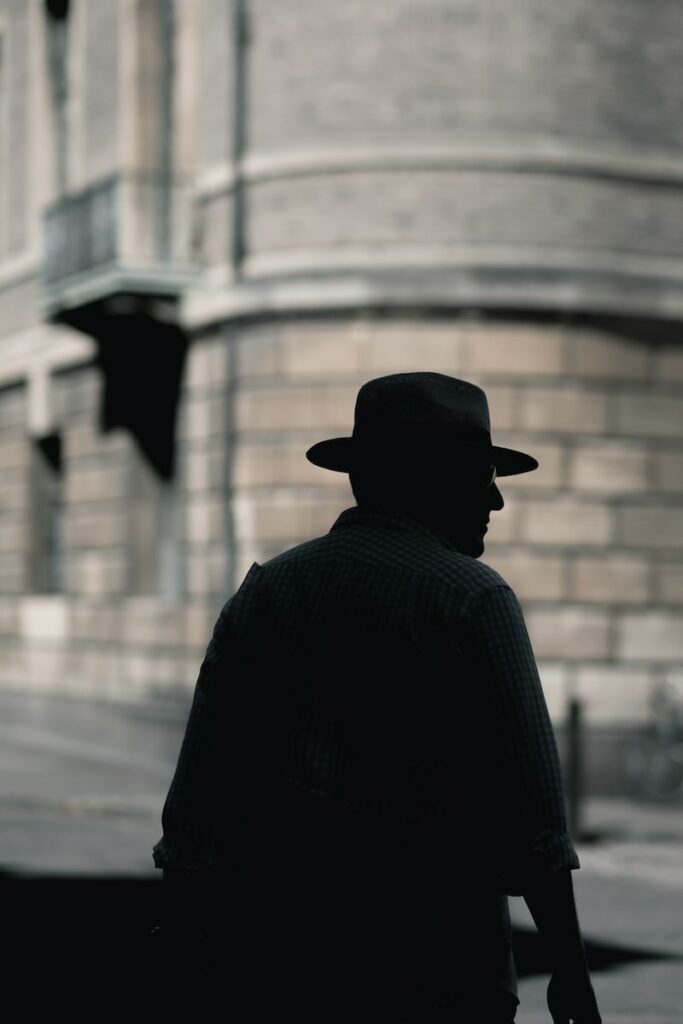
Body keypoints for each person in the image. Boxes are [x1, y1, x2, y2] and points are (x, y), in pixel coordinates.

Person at [153, 372, 602, 1023]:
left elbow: (199, 794)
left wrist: (181, 937)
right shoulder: (473, 599)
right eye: (482, 475)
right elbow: (532, 817)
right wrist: (569, 969)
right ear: (434, 478)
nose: (497, 501)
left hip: (274, 966)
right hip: (439, 972)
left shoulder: (268, 592)